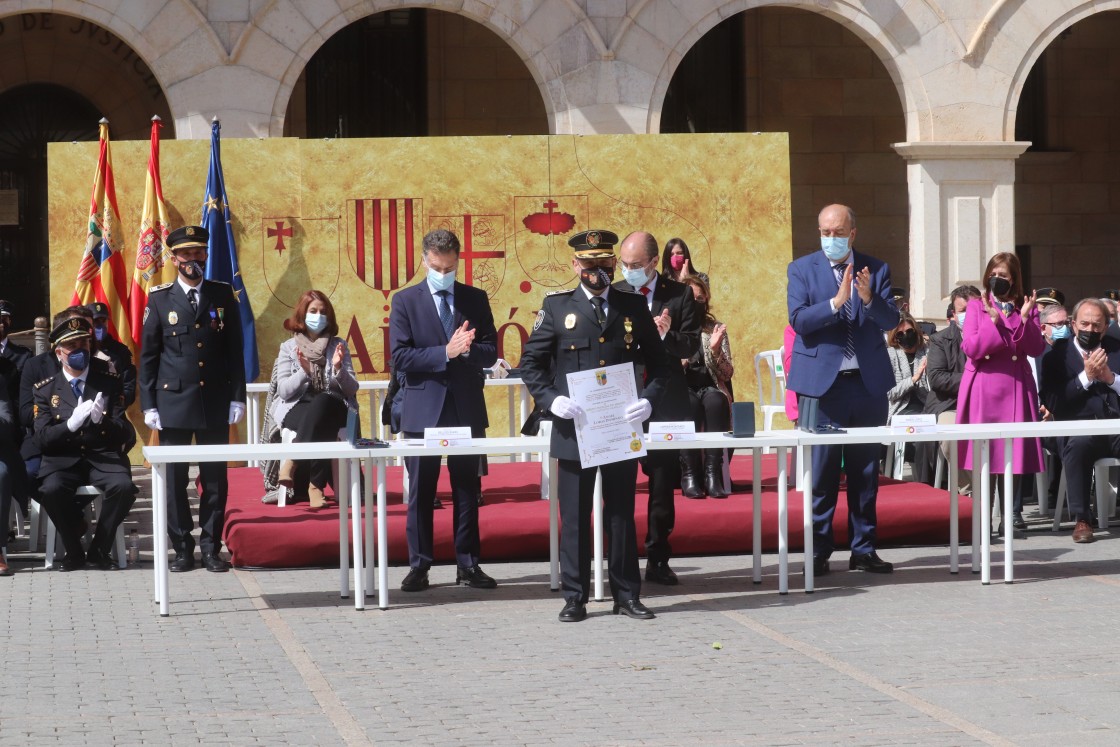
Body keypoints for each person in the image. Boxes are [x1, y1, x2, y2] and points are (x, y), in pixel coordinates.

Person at [520, 228, 672, 622]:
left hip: (619, 427)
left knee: (621, 513)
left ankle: (626, 594)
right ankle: (575, 596)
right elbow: (531, 364)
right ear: (575, 266)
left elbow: (661, 363)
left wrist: (647, 400)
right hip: (575, 428)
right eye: (589, 264)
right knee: (574, 516)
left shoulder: (631, 306)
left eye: (605, 263)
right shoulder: (556, 307)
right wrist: (552, 401)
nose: (598, 271)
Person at [787, 204, 900, 575]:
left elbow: (891, 321)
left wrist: (868, 298)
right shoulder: (803, 269)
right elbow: (800, 321)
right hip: (824, 387)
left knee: (865, 474)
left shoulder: (876, 268)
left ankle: (863, 549)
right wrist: (835, 302)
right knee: (821, 474)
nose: (830, 239)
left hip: (866, 385)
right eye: (824, 232)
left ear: (852, 233)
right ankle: (818, 550)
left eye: (837, 233)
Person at [389, 228, 499, 592]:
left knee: (467, 490)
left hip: (465, 407)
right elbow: (400, 356)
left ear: (458, 261)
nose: (443, 274)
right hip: (424, 411)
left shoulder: (475, 298)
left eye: (450, 268)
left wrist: (467, 351)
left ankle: (468, 564)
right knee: (421, 490)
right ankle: (419, 565)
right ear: (424, 261)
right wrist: (445, 353)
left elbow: (490, 351)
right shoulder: (406, 301)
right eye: (437, 267)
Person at [139, 225, 246, 573]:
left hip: (215, 401)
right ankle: (182, 548)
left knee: (215, 479)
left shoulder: (221, 294)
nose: (193, 260)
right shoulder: (159, 298)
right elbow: (149, 356)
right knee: (174, 481)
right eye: (186, 254)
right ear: (174, 259)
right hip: (173, 403)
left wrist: (236, 397)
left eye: (199, 253)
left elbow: (234, 352)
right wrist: (149, 404)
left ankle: (212, 547)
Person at [614, 230, 700, 584]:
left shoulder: (679, 295)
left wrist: (665, 336)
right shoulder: (616, 293)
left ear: (653, 262)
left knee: (663, 482)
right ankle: (619, 559)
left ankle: (658, 556)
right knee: (619, 481)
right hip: (622, 400)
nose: (629, 270)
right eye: (624, 264)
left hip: (665, 400)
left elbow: (691, 346)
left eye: (636, 265)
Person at [32, 316, 136, 571]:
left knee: (123, 487)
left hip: (101, 456)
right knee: (51, 491)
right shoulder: (45, 390)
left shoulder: (108, 382)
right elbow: (41, 439)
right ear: (59, 353)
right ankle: (74, 551)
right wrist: (69, 426)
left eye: (84, 344)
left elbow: (125, 432)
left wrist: (103, 422)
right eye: (72, 346)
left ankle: (99, 550)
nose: (79, 350)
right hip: (63, 460)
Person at [956, 252, 1045, 536]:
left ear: (1014, 280)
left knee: (1013, 454)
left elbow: (1034, 348)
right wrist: (993, 322)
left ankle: (1009, 517)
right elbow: (971, 348)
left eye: (1004, 275)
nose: (998, 278)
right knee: (986, 456)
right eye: (994, 273)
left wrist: (1025, 316)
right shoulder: (976, 306)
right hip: (984, 388)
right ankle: (982, 521)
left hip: (1016, 387)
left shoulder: (1026, 308)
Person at [1040, 298, 1120, 544]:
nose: (1090, 330)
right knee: (1079, 445)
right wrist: (1086, 377)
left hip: (1114, 427)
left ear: (1106, 327)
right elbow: (1054, 401)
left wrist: (1109, 378)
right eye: (1085, 324)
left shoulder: (1116, 349)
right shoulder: (1056, 356)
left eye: (1097, 325)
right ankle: (1083, 518)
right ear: (1073, 325)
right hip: (1078, 429)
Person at [271, 291, 359, 508]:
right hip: (297, 406)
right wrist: (305, 373)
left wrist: (338, 369)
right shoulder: (288, 348)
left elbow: (351, 389)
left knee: (323, 403)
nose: (318, 316)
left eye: (322, 312)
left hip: (334, 404)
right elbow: (283, 391)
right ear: (302, 315)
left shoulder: (338, 345)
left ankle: (292, 461)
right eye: (313, 311)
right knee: (319, 419)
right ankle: (315, 486)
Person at [918, 285, 980, 489]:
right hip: (950, 404)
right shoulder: (940, 340)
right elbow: (936, 378)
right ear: (953, 314)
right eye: (962, 311)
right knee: (953, 437)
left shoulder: (994, 336)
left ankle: (1008, 505)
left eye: (973, 309)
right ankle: (970, 490)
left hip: (986, 404)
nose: (968, 315)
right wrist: (975, 380)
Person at [681, 276, 734, 497]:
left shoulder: (714, 327)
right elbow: (663, 369)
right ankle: (690, 474)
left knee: (716, 401)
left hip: (709, 385)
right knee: (689, 404)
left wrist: (715, 351)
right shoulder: (673, 327)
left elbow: (727, 373)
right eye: (691, 298)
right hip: (683, 388)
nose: (696, 302)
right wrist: (681, 360)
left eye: (700, 298)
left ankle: (713, 474)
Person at [86, 301, 137, 407]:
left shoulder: (121, 351)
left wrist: (116, 404)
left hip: (112, 407)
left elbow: (129, 386)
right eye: (96, 322)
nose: (100, 325)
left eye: (103, 321)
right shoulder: (83, 349)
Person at [886, 311, 930, 421]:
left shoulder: (928, 351)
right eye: (900, 334)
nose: (906, 336)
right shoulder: (890, 355)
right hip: (900, 410)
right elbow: (890, 393)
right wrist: (914, 379)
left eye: (909, 331)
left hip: (927, 407)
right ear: (895, 337)